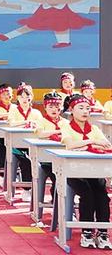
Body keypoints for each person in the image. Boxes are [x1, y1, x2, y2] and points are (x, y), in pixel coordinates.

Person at [60, 94, 112, 249]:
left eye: (87, 108)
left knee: (102, 195)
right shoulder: (66, 127)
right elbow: (70, 145)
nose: (85, 111)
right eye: (81, 108)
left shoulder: (94, 128)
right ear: (71, 110)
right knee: (87, 194)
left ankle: (103, 233)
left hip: (94, 171)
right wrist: (92, 142)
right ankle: (87, 232)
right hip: (74, 171)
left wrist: (84, 145)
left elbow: (107, 145)